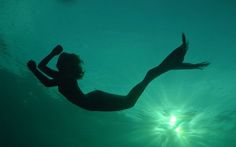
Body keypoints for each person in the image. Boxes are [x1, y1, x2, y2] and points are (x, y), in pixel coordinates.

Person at [27, 34, 209, 111]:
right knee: (137, 91)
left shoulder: (63, 77)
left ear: (64, 65)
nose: (58, 60)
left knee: (130, 101)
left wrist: (36, 67)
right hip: (93, 99)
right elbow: (43, 69)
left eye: (60, 59)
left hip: (92, 101)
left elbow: (45, 79)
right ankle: (169, 66)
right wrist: (50, 55)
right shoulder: (63, 76)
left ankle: (169, 66)